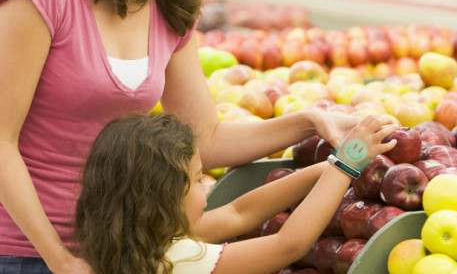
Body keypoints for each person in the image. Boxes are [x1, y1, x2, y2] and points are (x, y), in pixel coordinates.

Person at [0, 0, 371, 272]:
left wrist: (311, 121)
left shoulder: (167, 6)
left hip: (118, 253)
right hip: (22, 253)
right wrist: (60, 259)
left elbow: (205, 140)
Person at [75, 112, 398, 274]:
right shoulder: (177, 260)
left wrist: (326, 170)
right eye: (198, 180)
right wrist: (347, 164)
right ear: (162, 198)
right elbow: (288, 246)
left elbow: (238, 214)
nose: (209, 184)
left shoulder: (134, 239)